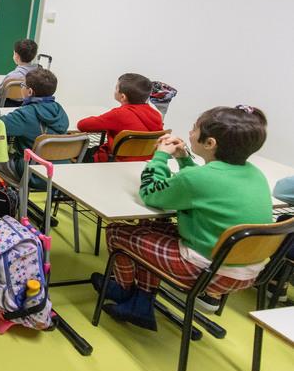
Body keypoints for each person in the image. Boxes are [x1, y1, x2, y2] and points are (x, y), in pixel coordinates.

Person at [96, 106, 272, 331]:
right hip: (245, 269)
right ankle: (141, 301)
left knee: (117, 232)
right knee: (151, 225)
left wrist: (160, 156)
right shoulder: (254, 173)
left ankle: (124, 290)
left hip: (208, 271)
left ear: (210, 143)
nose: (190, 132)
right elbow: (199, 182)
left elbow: (150, 193)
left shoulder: (198, 178)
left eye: (194, 129)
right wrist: (183, 158)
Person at [77, 73, 164, 162]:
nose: (115, 90)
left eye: (116, 88)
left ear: (123, 97)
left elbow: (82, 125)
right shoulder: (156, 114)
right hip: (146, 161)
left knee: (77, 153)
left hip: (116, 160)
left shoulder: (119, 114)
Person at [0, 39, 39, 107]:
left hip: (9, 108)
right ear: (34, 55)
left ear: (16, 55)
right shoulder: (39, 75)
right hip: (31, 107)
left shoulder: (11, 77)